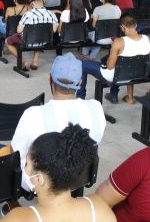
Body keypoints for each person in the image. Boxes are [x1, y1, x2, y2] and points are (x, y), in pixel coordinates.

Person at [6, 54, 105, 182]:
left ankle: (13, 202)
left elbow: (15, 153)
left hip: (43, 182)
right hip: (80, 176)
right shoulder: (96, 107)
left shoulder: (33, 115)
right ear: (80, 82)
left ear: (49, 78)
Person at [78, 14, 150, 103]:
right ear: (135, 26)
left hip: (117, 75)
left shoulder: (119, 42)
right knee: (120, 66)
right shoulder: (146, 39)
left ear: (122, 26)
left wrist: (108, 60)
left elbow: (110, 67)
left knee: (81, 64)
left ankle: (80, 99)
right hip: (135, 75)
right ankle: (113, 95)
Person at [4, 0, 58, 71]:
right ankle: (35, 62)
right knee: (40, 36)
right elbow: (54, 30)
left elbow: (19, 30)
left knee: (7, 41)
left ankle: (23, 61)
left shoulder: (28, 14)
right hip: (44, 41)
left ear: (32, 4)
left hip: (27, 41)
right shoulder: (51, 14)